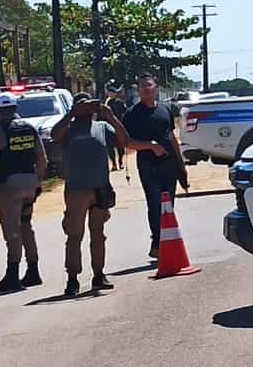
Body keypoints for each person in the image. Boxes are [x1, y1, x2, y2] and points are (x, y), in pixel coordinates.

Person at [51, 92, 132, 297]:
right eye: (82, 105)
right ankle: (72, 278)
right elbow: (54, 135)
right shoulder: (68, 128)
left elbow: (124, 141)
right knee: (74, 235)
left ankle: (98, 275)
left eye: (90, 105)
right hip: (76, 190)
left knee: (98, 235)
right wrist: (71, 113)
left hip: (100, 189)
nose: (87, 109)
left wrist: (110, 115)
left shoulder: (102, 127)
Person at [0, 92, 47, 293]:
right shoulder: (30, 128)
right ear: (15, 109)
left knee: (12, 229)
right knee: (26, 225)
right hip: (30, 183)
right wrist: (37, 182)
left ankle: (12, 275)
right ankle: (33, 271)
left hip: (10, 186)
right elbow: (42, 159)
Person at [122, 74, 188, 258]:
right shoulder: (132, 114)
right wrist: (150, 146)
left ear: (156, 87)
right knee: (155, 204)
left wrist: (181, 167)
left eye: (149, 85)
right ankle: (158, 242)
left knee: (169, 206)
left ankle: (166, 243)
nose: (146, 89)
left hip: (169, 166)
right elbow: (127, 142)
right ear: (138, 90)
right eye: (142, 86)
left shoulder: (165, 111)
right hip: (148, 167)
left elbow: (172, 138)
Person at [104, 84, 128, 172]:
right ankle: (114, 163)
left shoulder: (120, 103)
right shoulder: (106, 103)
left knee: (120, 145)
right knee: (110, 146)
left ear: (115, 93)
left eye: (112, 93)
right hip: (108, 126)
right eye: (109, 92)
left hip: (119, 126)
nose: (111, 94)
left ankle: (120, 161)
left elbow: (125, 113)